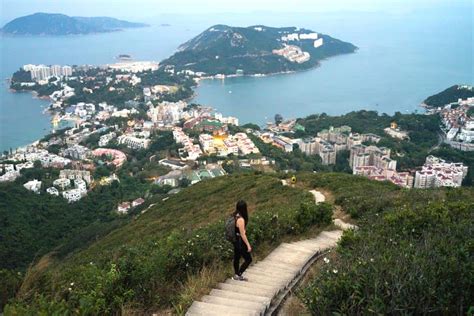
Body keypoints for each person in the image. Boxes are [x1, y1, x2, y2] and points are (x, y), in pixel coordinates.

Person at [232, 200, 252, 281]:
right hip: (240, 241)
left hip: (235, 240)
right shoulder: (241, 219)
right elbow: (242, 234)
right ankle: (238, 274)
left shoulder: (234, 215)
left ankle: (236, 275)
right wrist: (248, 245)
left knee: (236, 257)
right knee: (248, 259)